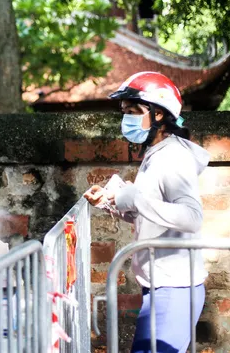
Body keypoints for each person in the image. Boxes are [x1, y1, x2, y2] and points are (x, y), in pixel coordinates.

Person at [84, 72, 208, 353]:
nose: (127, 118)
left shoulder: (173, 157)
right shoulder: (156, 154)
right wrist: (109, 201)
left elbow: (191, 217)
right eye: (124, 111)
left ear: (160, 115)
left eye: (134, 111)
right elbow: (151, 214)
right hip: (160, 286)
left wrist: (135, 198)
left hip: (175, 289)